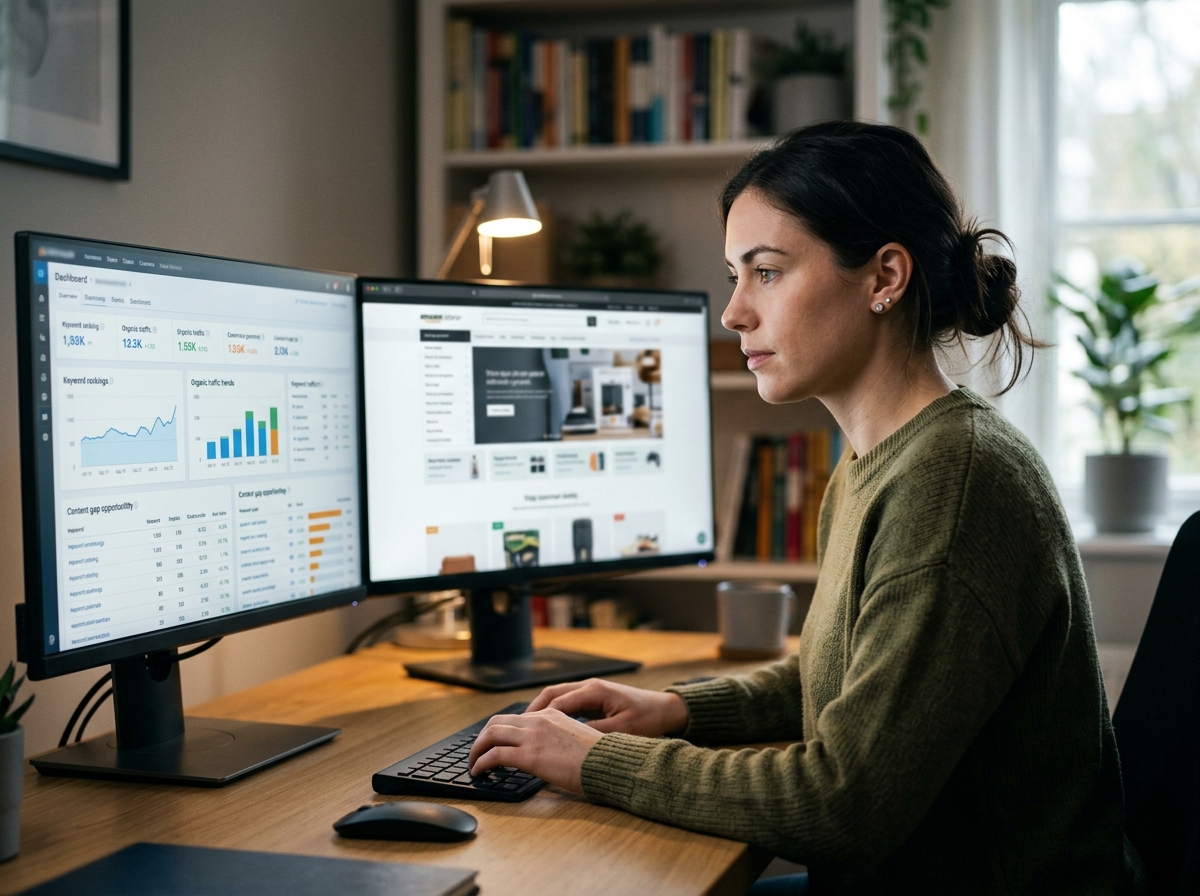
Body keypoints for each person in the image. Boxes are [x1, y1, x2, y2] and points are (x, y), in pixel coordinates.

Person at [467, 121, 1142, 895]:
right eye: (733, 275)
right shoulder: (873, 462)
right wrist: (676, 711)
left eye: (767, 272)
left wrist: (594, 761)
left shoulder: (956, 484)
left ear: (885, 276)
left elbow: (846, 801)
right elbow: (839, 684)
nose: (734, 313)